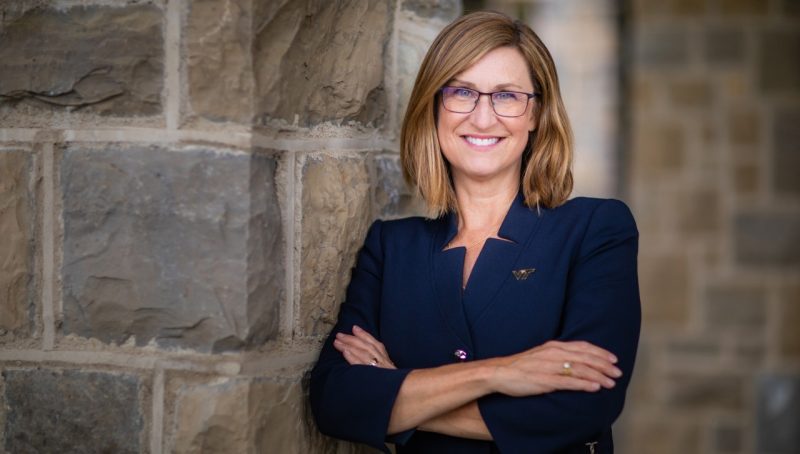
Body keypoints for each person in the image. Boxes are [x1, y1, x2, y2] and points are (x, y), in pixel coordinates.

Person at [310, 10, 640, 454]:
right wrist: (500, 373)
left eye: (506, 96)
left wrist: (396, 397)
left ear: (536, 114)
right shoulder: (392, 247)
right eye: (463, 92)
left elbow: (583, 409)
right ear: (434, 107)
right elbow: (335, 401)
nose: (483, 118)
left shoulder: (595, 230)